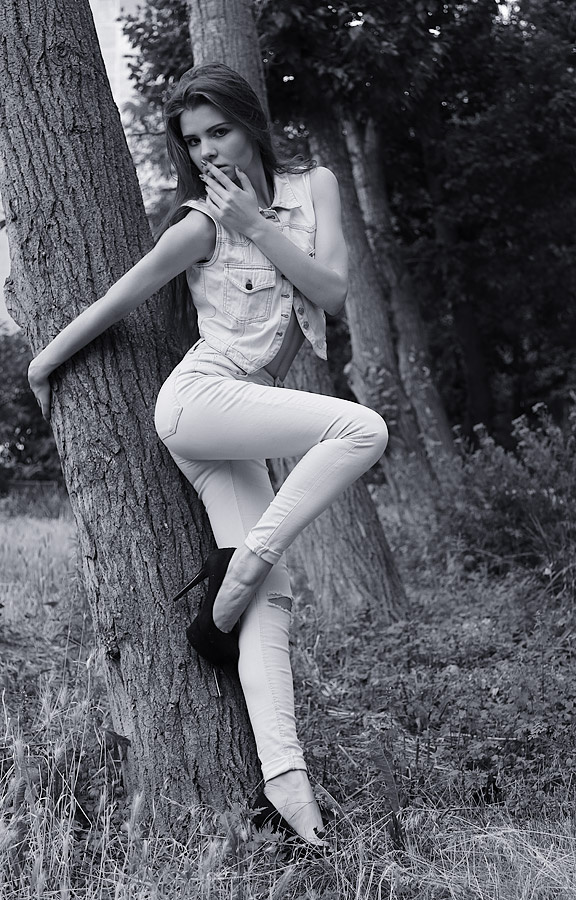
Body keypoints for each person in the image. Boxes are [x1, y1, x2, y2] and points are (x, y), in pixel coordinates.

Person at [28, 63, 388, 847]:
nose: (207, 152)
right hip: (199, 403)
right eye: (192, 142)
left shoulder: (315, 188)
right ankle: (244, 566)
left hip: (243, 419)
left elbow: (332, 293)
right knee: (362, 431)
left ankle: (288, 788)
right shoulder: (199, 224)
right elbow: (122, 295)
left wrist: (258, 224)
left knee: (270, 606)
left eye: (218, 131)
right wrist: (44, 361)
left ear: (250, 124)